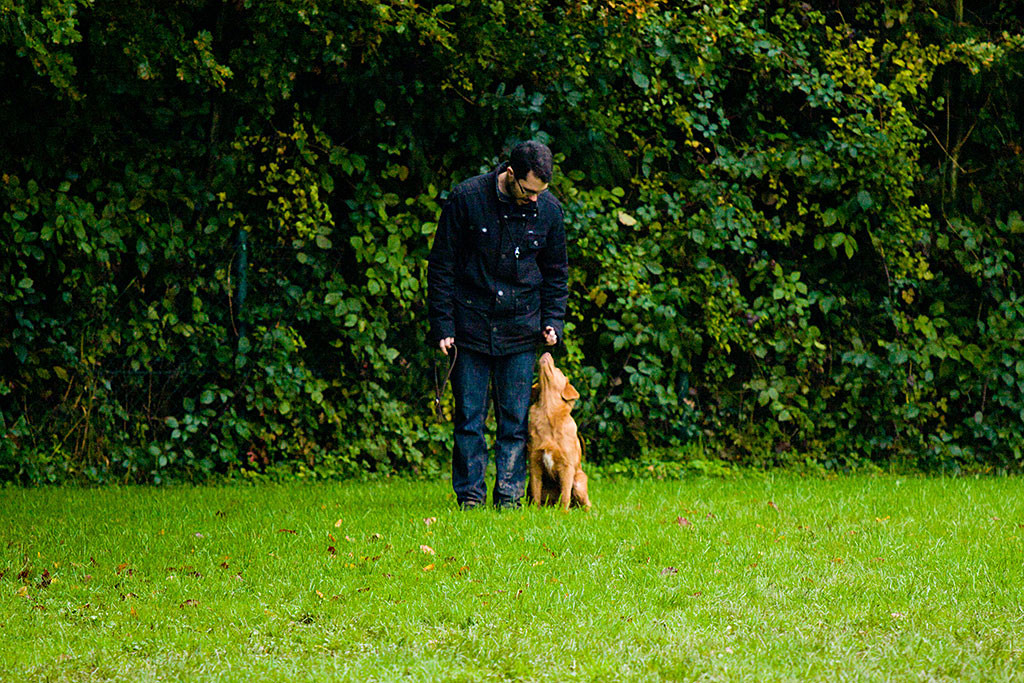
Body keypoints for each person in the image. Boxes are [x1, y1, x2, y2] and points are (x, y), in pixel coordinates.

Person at [427, 140, 568, 509]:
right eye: (529, 190)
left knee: (515, 420)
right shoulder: (467, 199)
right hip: (469, 324)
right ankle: (470, 499)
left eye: (542, 192)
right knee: (469, 419)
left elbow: (556, 273)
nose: (535, 199)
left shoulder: (550, 211)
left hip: (521, 327)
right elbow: (442, 265)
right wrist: (443, 324)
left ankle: (509, 498)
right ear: (510, 174)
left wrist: (553, 320)